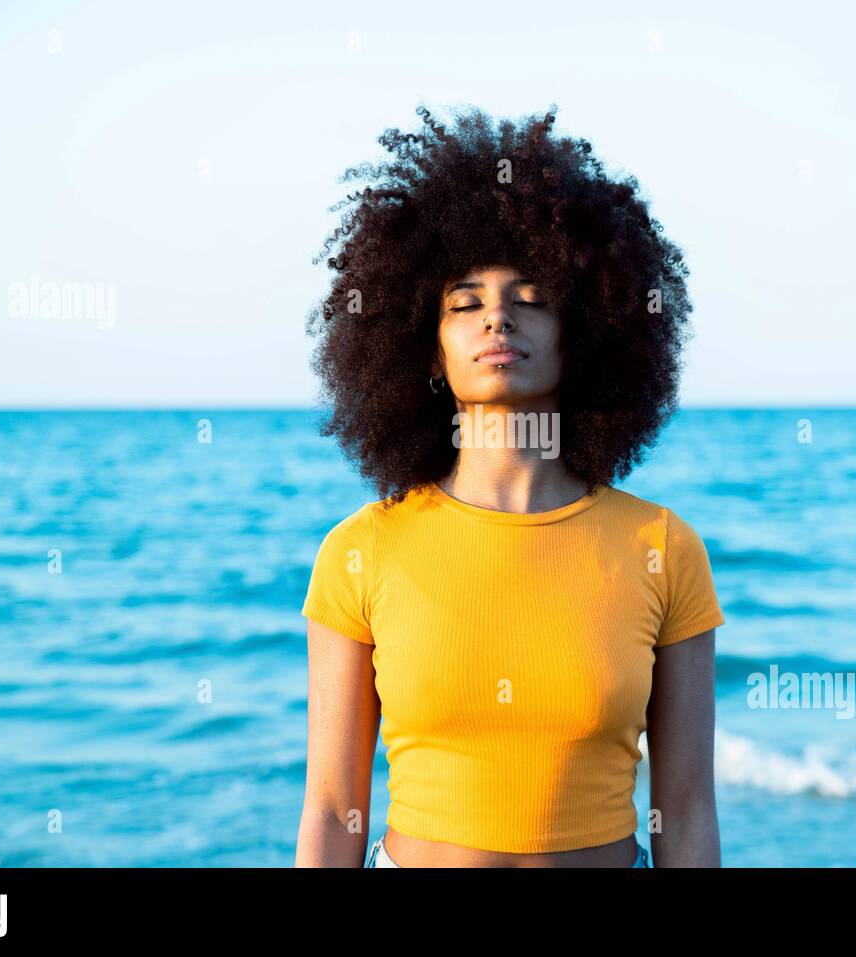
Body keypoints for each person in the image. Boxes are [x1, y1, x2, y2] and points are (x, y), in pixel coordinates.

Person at [294, 105, 725, 868]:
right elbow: (333, 810)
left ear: (583, 329)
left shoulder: (662, 547)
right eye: (464, 303)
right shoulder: (359, 553)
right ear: (428, 352)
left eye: (530, 298)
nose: (497, 317)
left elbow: (686, 812)